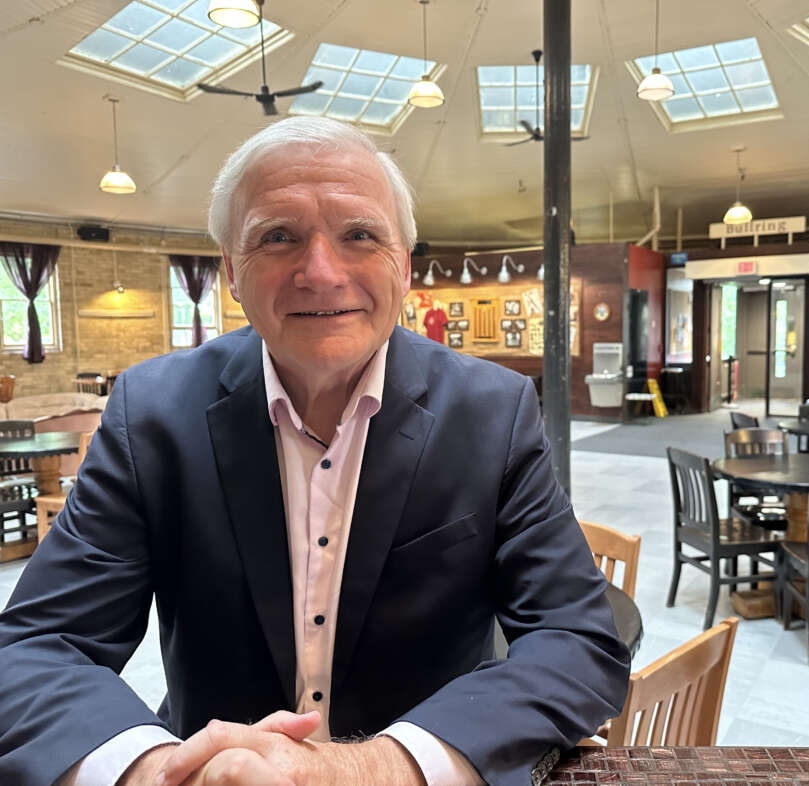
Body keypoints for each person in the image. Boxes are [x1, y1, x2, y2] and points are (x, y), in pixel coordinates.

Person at [0, 117, 630, 786]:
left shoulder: (493, 411)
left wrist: (375, 767)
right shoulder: (152, 413)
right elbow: (33, 649)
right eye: (279, 237)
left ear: (404, 264)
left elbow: (578, 640)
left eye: (359, 235)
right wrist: (163, 772)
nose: (321, 273)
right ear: (231, 271)